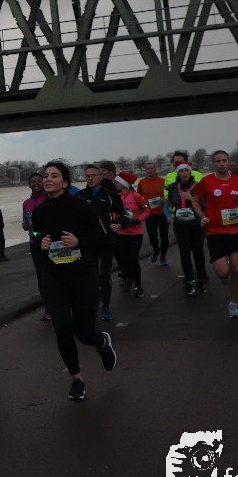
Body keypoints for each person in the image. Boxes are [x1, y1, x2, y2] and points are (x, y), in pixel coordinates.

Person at [29, 161, 118, 400]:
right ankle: (77, 379)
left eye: (54, 175)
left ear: (65, 182)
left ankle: (101, 342)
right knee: (61, 328)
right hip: (54, 277)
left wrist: (80, 241)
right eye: (46, 175)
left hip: (82, 275)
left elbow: (103, 236)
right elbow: (35, 235)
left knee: (84, 332)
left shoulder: (81, 207)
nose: (48, 179)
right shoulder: (39, 211)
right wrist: (41, 242)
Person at [191, 150, 238, 319]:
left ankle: (233, 305)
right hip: (215, 232)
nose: (221, 163)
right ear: (214, 163)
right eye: (218, 161)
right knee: (222, 272)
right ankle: (222, 274)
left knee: (237, 269)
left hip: (237, 230)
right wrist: (202, 216)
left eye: (224, 160)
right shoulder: (207, 181)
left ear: (228, 162)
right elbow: (194, 200)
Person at [80, 163, 125, 321]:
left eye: (93, 175)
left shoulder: (110, 195)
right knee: (90, 277)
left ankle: (106, 306)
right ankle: (92, 304)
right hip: (87, 244)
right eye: (87, 176)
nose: (90, 178)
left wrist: (120, 224)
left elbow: (125, 215)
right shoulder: (80, 196)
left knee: (104, 275)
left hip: (106, 242)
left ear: (100, 177)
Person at [166, 163, 208, 296]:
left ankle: (201, 278)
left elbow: (205, 204)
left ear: (190, 173)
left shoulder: (198, 186)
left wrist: (192, 199)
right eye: (181, 171)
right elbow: (169, 203)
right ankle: (189, 280)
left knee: (198, 251)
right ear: (178, 174)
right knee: (184, 253)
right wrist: (169, 213)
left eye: (186, 171)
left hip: (196, 223)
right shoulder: (173, 187)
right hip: (180, 224)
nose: (184, 173)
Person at [21, 172, 52, 321]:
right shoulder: (26, 203)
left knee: (55, 274)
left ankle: (63, 302)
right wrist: (26, 226)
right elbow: (25, 224)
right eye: (33, 181)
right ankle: (48, 307)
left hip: (51, 242)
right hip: (35, 243)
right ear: (29, 184)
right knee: (41, 277)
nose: (36, 184)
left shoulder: (49, 198)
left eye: (39, 181)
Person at [112, 171, 147, 297]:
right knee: (124, 259)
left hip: (136, 233)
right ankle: (128, 278)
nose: (115, 184)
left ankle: (139, 286)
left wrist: (139, 219)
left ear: (124, 183)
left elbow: (147, 210)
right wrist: (115, 220)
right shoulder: (117, 197)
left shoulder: (136, 196)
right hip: (122, 232)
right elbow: (115, 212)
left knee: (133, 259)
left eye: (117, 182)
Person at [138, 161, 170, 266]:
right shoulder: (142, 182)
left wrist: (165, 199)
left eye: (152, 168)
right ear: (145, 170)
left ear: (155, 169)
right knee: (152, 237)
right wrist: (143, 208)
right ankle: (156, 250)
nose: (150, 170)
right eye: (148, 169)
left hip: (163, 213)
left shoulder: (163, 181)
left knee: (164, 237)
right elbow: (138, 197)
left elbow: (169, 196)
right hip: (150, 214)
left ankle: (163, 256)